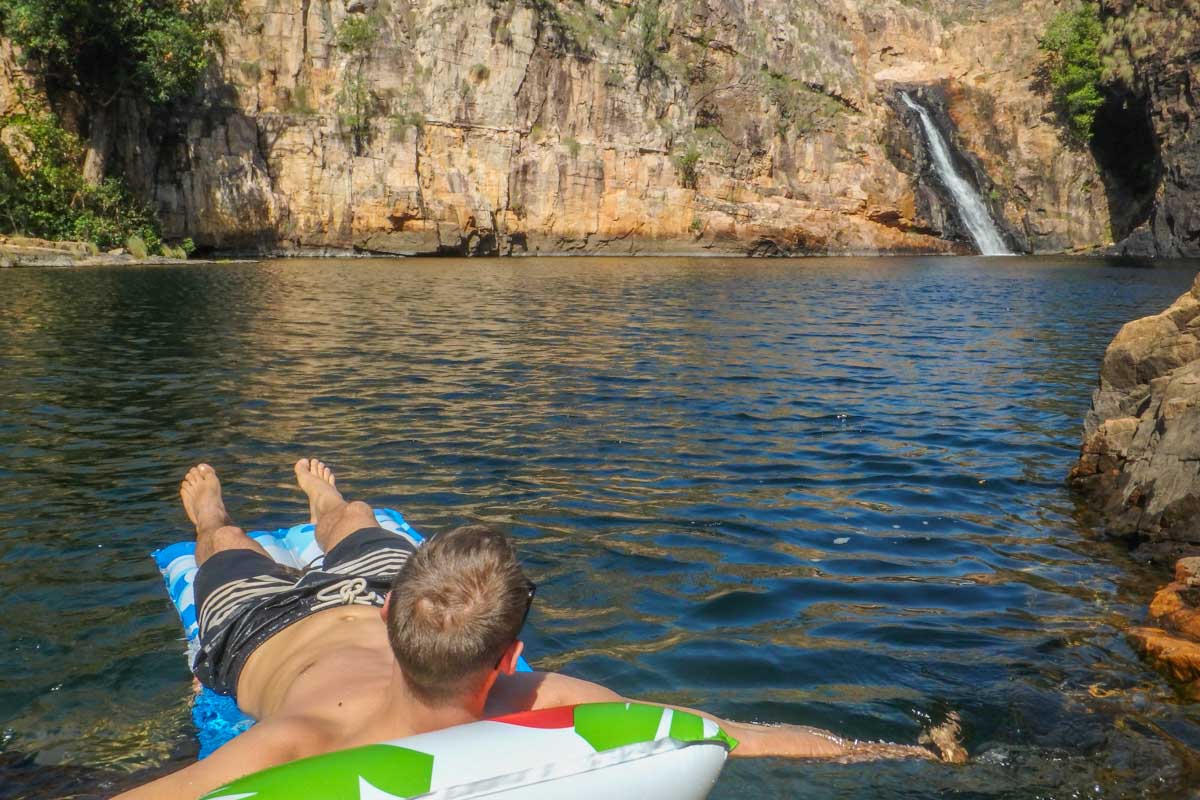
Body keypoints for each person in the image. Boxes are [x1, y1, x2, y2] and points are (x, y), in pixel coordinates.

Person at [114, 459, 965, 799]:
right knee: (225, 543)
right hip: (263, 633)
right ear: (511, 653)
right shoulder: (536, 695)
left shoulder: (301, 740)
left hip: (317, 619)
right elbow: (737, 734)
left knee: (354, 517)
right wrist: (904, 752)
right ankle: (212, 511)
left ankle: (324, 501)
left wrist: (904, 754)